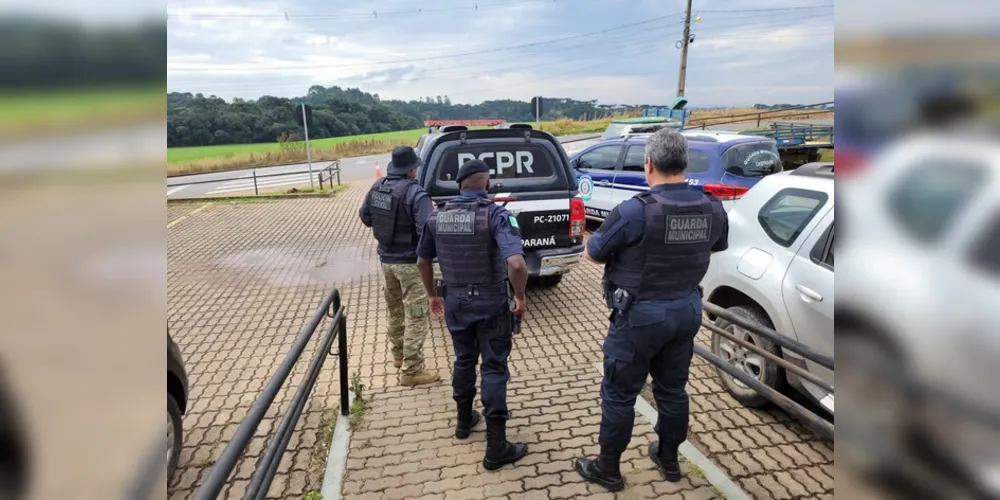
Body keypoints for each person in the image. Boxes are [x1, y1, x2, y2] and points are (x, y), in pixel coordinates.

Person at [575, 129, 729, 491]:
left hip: (640, 317)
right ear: (684, 163)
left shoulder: (633, 211)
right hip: (686, 310)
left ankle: (608, 469)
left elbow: (592, 253)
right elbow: (717, 245)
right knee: (672, 391)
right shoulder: (711, 206)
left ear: (648, 164)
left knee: (619, 393)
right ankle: (669, 460)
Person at [415, 159, 530, 470]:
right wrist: (519, 297)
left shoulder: (436, 216)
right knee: (493, 367)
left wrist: (432, 296)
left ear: (459, 185)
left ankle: (464, 422)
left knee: (464, 360)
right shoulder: (496, 215)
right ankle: (496, 449)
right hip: (491, 303)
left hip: (456, 302)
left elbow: (423, 262)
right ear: (487, 185)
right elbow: (517, 264)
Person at [359, 145, 440, 387]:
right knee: (416, 315)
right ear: (412, 170)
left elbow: (365, 218)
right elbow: (426, 232)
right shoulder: (416, 194)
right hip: (410, 265)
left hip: (386, 262)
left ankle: (398, 356)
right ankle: (411, 370)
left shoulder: (378, 187)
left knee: (395, 311)